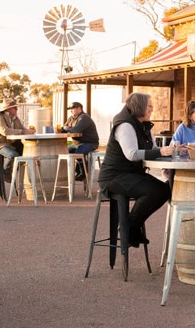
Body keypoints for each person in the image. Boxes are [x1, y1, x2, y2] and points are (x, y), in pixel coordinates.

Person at [98, 92, 173, 247]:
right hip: (114, 177)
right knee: (153, 191)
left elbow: (152, 149)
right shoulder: (125, 125)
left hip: (132, 175)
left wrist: (172, 153)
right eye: (150, 106)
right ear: (140, 107)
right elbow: (131, 154)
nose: (152, 109)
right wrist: (159, 152)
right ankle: (129, 227)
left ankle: (132, 225)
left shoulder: (144, 125)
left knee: (165, 189)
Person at [0, 99, 35, 182]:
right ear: (9, 109)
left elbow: (22, 129)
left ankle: (14, 172)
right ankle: (5, 172)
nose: (17, 109)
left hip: (11, 143)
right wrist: (23, 131)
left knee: (27, 153)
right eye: (15, 108)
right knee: (13, 155)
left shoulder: (15, 118)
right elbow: (5, 131)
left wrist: (29, 131)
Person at [60, 101, 100, 181]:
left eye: (72, 109)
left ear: (79, 109)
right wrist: (63, 129)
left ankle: (84, 173)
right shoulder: (71, 118)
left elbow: (76, 130)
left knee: (79, 151)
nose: (71, 111)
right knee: (66, 150)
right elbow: (63, 129)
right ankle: (76, 171)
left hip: (90, 143)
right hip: (77, 143)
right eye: (70, 109)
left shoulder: (84, 117)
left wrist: (67, 128)